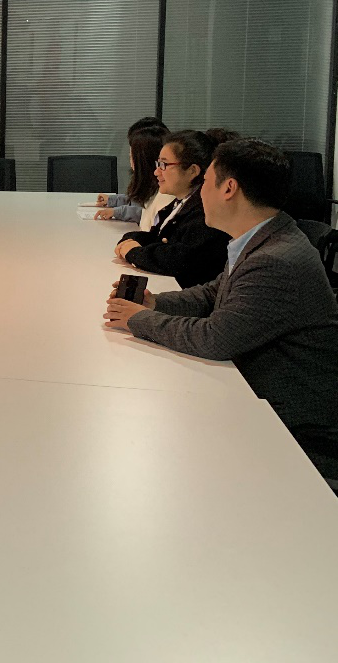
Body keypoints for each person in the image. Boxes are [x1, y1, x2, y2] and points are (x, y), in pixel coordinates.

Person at [105, 138, 338, 490]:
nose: (200, 193)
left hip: (291, 425)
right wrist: (155, 303)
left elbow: (215, 338)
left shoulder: (273, 259)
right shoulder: (264, 238)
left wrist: (137, 320)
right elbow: (214, 292)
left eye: (206, 182)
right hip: (257, 393)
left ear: (229, 188)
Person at [113, 129, 230, 288]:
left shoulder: (205, 212)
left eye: (164, 165)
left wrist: (134, 253)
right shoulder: (181, 202)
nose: (157, 172)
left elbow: (179, 259)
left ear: (192, 171)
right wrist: (130, 239)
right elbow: (157, 237)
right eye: (158, 164)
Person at [94, 123, 172, 223]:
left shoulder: (163, 189)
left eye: (131, 156)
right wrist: (113, 200)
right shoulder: (148, 181)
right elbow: (136, 200)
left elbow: (146, 213)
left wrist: (118, 211)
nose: (130, 161)